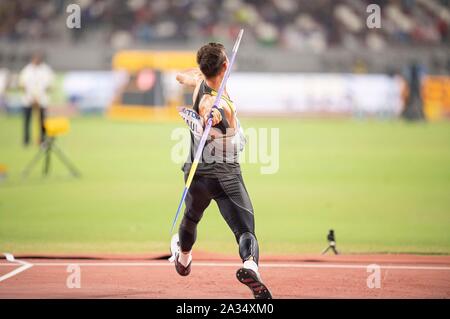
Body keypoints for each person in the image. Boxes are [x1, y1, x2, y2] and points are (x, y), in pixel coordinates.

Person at [173, 42, 272, 299]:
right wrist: (211, 116)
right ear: (226, 65)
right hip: (225, 175)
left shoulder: (198, 82)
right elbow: (211, 109)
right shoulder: (216, 103)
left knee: (192, 217)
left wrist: (192, 75)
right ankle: (250, 265)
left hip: (196, 174)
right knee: (245, 231)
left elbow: (181, 75)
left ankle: (183, 259)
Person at [19, 53, 54, 146]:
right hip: (28, 100)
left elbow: (49, 86)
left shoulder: (46, 70)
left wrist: (39, 97)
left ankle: (43, 140)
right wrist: (32, 98)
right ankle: (26, 141)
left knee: (43, 121)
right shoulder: (27, 70)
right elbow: (23, 86)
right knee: (27, 121)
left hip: (42, 100)